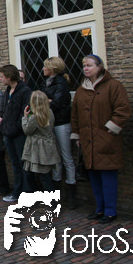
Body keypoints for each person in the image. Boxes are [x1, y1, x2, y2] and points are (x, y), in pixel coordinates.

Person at [71, 54, 131, 223]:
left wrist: (111, 128)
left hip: (107, 139)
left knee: (108, 176)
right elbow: (75, 114)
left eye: (89, 65)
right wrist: (77, 134)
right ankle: (99, 208)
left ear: (99, 67)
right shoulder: (81, 90)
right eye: (84, 66)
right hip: (87, 140)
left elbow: (123, 109)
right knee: (94, 177)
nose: (86, 68)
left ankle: (110, 211)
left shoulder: (113, 86)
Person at [41, 56, 77, 208]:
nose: (43, 69)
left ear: (52, 68)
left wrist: (46, 102)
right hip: (51, 123)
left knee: (66, 156)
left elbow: (56, 103)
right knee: (55, 157)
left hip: (61, 123)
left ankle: (71, 192)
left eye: (45, 66)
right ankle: (56, 193)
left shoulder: (61, 83)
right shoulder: (47, 82)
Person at [0, 64, 32, 202]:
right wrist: (1, 119)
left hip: (19, 133)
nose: (1, 79)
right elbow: (4, 108)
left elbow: (25, 113)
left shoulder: (25, 91)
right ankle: (17, 191)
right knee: (14, 163)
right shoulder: (7, 91)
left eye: (2, 76)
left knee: (23, 163)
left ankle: (28, 192)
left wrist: (15, 127)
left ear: (9, 77)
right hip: (7, 132)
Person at [21, 91, 58, 192]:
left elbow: (27, 130)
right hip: (48, 145)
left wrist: (25, 117)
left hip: (36, 148)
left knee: (36, 174)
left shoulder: (34, 117)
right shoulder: (49, 112)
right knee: (45, 175)